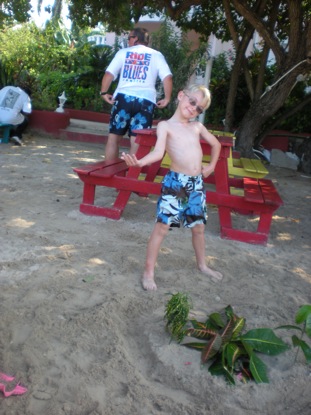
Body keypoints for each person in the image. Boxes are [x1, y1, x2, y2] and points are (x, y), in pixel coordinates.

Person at [121, 84, 223, 291]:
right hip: (177, 183)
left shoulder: (196, 127)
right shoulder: (165, 126)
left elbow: (216, 145)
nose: (193, 108)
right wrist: (140, 162)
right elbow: (158, 153)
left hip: (196, 184)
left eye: (199, 108)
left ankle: (202, 265)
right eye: (192, 101)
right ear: (180, 96)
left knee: (199, 228)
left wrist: (211, 166)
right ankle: (148, 272)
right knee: (163, 227)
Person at [100, 27, 173, 160]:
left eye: (129, 38)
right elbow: (167, 77)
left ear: (136, 39)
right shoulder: (156, 55)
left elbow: (109, 74)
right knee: (137, 141)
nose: (128, 41)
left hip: (123, 99)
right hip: (145, 101)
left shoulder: (123, 53)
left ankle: (108, 174)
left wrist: (104, 92)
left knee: (114, 138)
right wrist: (167, 98)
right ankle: (131, 175)